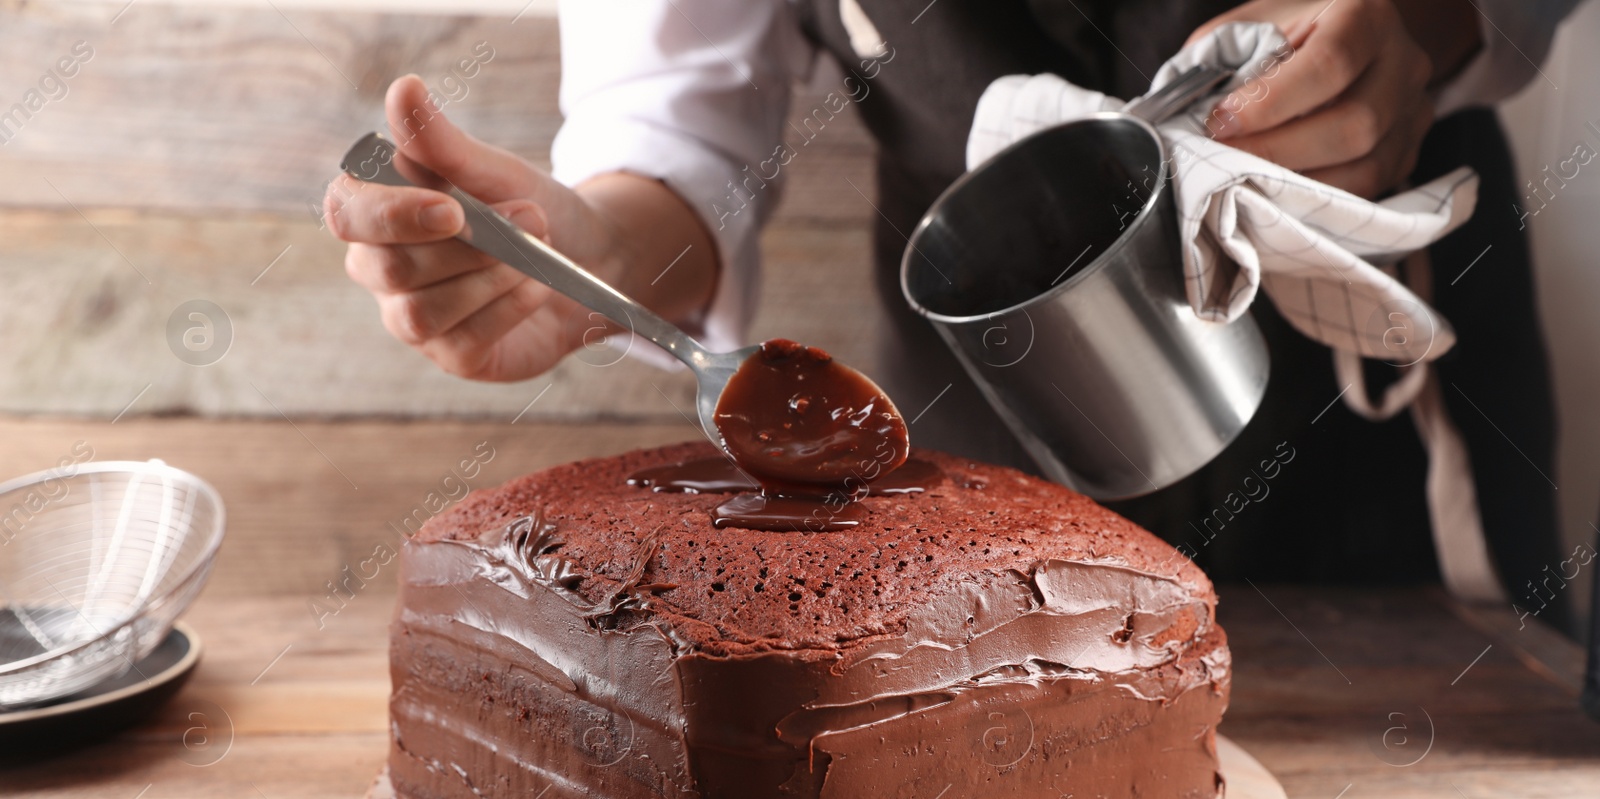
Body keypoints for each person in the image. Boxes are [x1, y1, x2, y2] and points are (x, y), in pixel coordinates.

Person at [325, 0, 1583, 633]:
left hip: (1371, 374)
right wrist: (583, 252)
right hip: (959, 408)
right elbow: (680, 123)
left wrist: (1432, 18)